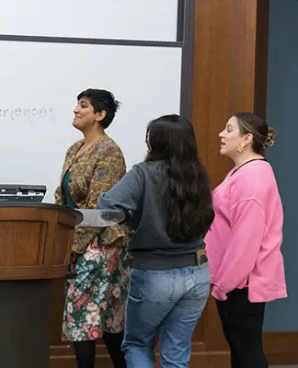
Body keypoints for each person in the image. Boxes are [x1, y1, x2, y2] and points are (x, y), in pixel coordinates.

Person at [98, 114, 214, 368]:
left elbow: (107, 204)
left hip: (154, 273)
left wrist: (132, 217)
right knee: (176, 352)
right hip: (198, 273)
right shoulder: (197, 175)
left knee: (137, 344)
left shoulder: (143, 173)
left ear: (156, 143)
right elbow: (207, 218)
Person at [54, 88, 130, 368]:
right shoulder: (74, 148)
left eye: (83, 106)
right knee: (87, 321)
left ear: (100, 115)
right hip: (78, 243)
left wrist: (73, 246)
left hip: (102, 245)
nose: (76, 109)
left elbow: (99, 208)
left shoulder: (109, 150)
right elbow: (62, 198)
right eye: (76, 104)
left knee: (92, 321)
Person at [204, 113, 286, 368]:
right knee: (240, 351)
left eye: (229, 129)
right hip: (234, 282)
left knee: (247, 353)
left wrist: (224, 285)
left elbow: (246, 240)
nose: (222, 134)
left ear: (247, 139)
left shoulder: (254, 176)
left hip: (241, 284)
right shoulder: (242, 173)